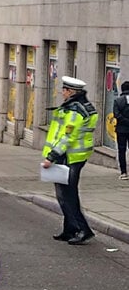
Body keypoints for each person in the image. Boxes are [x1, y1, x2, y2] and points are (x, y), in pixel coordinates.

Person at [42, 76, 98, 245]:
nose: (62, 93)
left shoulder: (75, 111)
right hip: (72, 156)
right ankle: (70, 229)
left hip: (69, 156)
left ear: (70, 91)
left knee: (67, 195)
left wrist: (51, 156)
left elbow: (68, 137)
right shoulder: (78, 106)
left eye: (64, 90)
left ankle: (83, 230)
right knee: (64, 194)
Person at [112, 80, 129, 179]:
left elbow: (116, 115)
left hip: (121, 129)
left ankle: (123, 172)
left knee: (121, 150)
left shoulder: (118, 101)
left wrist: (125, 121)